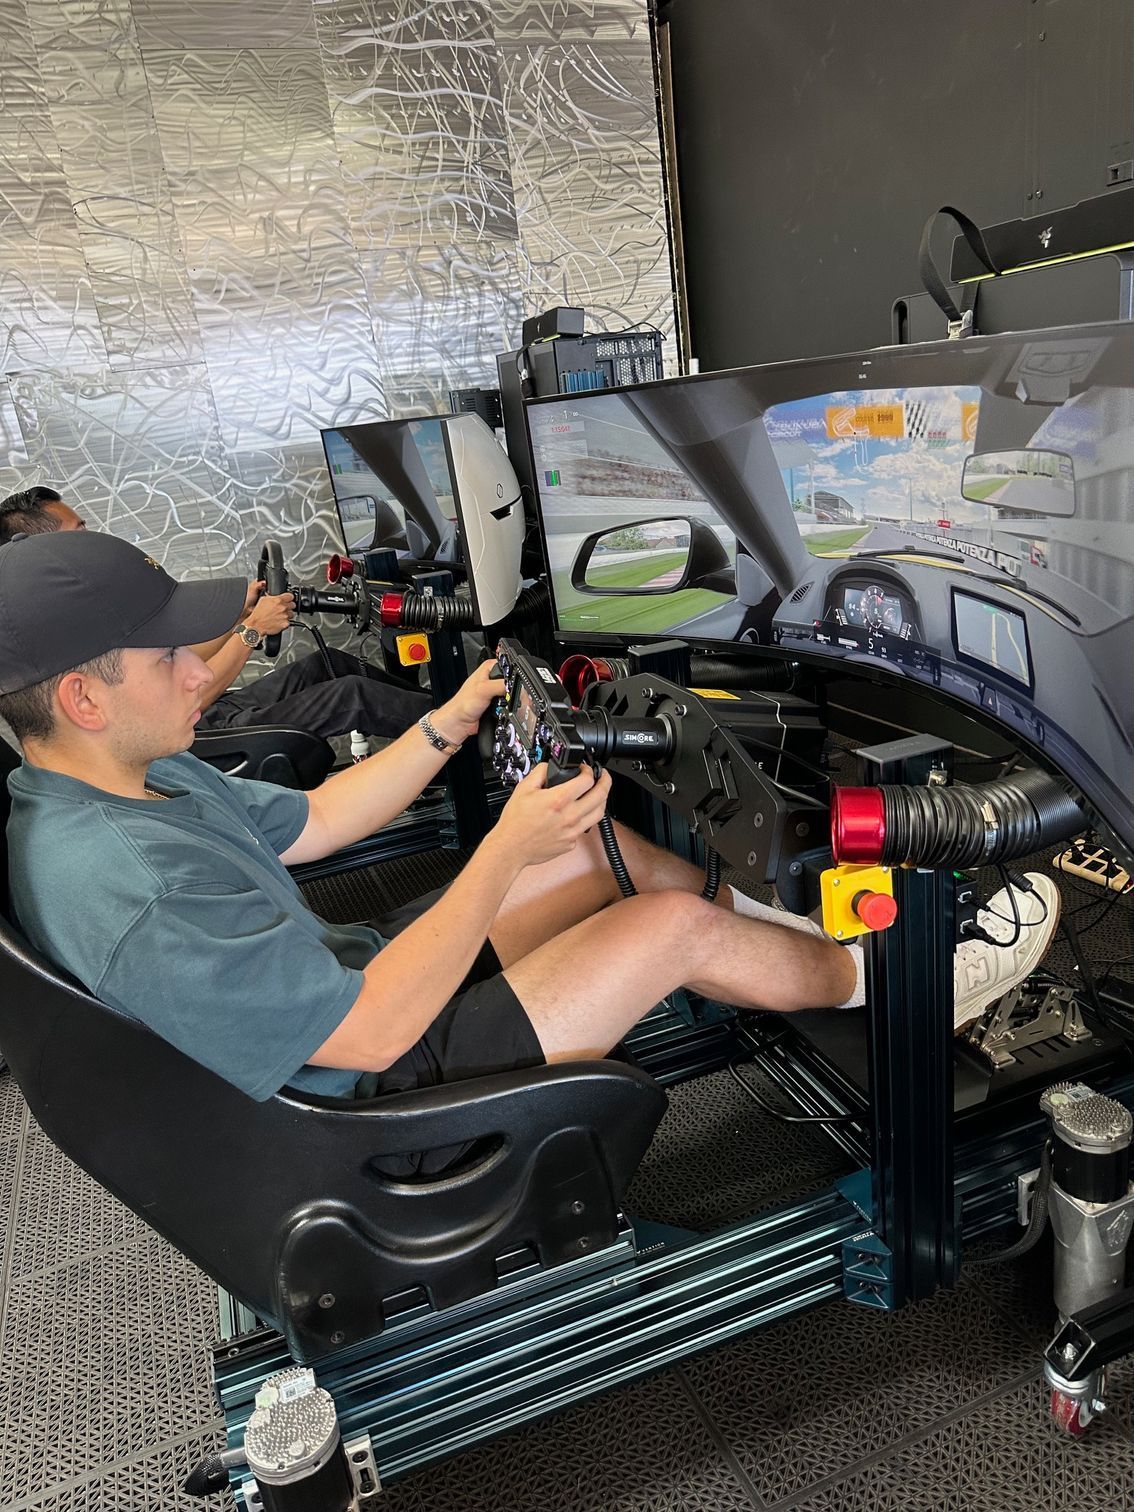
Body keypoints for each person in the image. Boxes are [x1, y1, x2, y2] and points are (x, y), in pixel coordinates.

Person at [0, 533, 1060, 1151]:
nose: (204, 673)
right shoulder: (122, 881)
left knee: (590, 853)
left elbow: (321, 820)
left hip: (344, 991)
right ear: (85, 698)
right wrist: (502, 845)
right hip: (365, 1094)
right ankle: (886, 981)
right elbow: (367, 1040)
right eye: (170, 662)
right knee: (665, 929)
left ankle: (782, 936)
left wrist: (443, 723)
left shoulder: (135, 775)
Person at [0, 485, 430, 743]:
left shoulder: (97, 607)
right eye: (78, 534)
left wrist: (237, 615)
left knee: (329, 665)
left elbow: (181, 660)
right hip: (198, 737)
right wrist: (250, 631)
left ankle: (444, 709)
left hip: (212, 711)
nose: (91, 539)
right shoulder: (75, 641)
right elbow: (185, 695)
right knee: (350, 695)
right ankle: (469, 731)